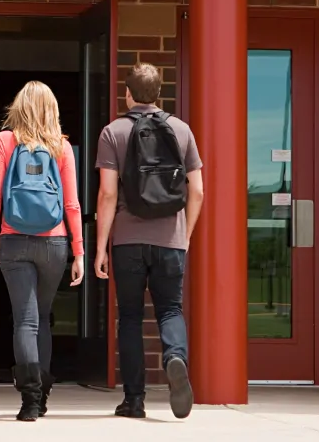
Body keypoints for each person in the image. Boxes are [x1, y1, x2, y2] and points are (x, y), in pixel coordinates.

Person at [94, 62, 204, 420]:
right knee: (170, 309)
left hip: (128, 241)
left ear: (127, 94)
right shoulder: (182, 130)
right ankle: (175, 357)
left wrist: (100, 248)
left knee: (129, 317)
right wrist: (183, 237)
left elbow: (108, 195)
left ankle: (134, 400)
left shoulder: (113, 132)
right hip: (170, 239)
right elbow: (198, 192)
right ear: (159, 93)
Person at [0, 81, 84, 422]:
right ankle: (42, 396)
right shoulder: (62, 148)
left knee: (24, 320)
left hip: (13, 239)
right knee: (42, 318)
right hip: (54, 243)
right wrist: (79, 251)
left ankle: (28, 401)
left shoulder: (4, 141)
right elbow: (71, 203)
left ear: (18, 108)